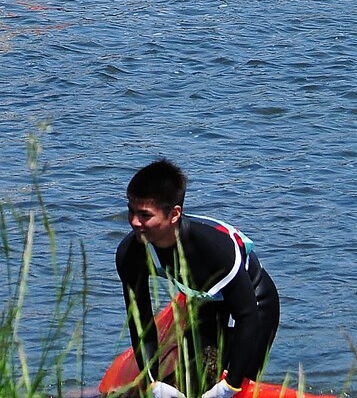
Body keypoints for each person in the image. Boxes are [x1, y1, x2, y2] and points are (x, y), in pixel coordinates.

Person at [116, 157, 280, 398]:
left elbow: (247, 317)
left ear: (174, 214)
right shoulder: (130, 254)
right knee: (194, 381)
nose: (134, 222)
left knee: (235, 385)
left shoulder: (215, 250)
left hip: (254, 304)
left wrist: (230, 386)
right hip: (204, 301)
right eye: (131, 210)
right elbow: (140, 320)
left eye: (144, 215)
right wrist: (152, 382)